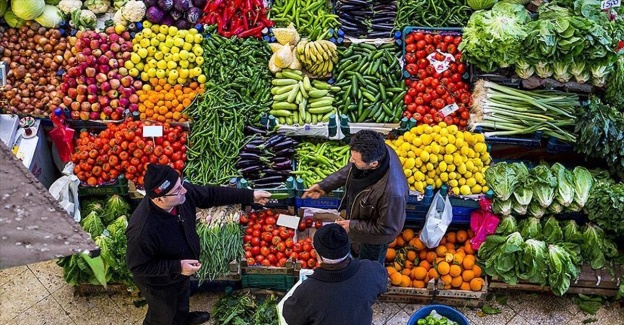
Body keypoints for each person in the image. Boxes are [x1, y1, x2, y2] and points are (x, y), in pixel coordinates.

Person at [126, 163, 271, 325]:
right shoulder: (142, 230)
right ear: (159, 199)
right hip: (159, 283)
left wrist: (250, 195)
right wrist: (177, 267)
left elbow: (211, 194)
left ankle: (183, 319)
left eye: (181, 184)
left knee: (182, 301)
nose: (184, 190)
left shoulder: (180, 196)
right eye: (178, 190)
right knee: (163, 314)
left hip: (181, 271)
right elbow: (137, 266)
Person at [302, 130, 408, 264]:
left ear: (374, 164)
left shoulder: (393, 193)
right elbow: (352, 169)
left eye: (355, 159)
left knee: (368, 266)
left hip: (373, 240)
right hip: (360, 222)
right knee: (355, 253)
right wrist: (325, 185)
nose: (351, 160)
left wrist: (352, 225)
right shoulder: (380, 150)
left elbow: (387, 230)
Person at [282, 223, 388, 325]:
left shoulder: (307, 291)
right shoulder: (372, 270)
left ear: (318, 255)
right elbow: (382, 286)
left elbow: (291, 318)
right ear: (348, 247)